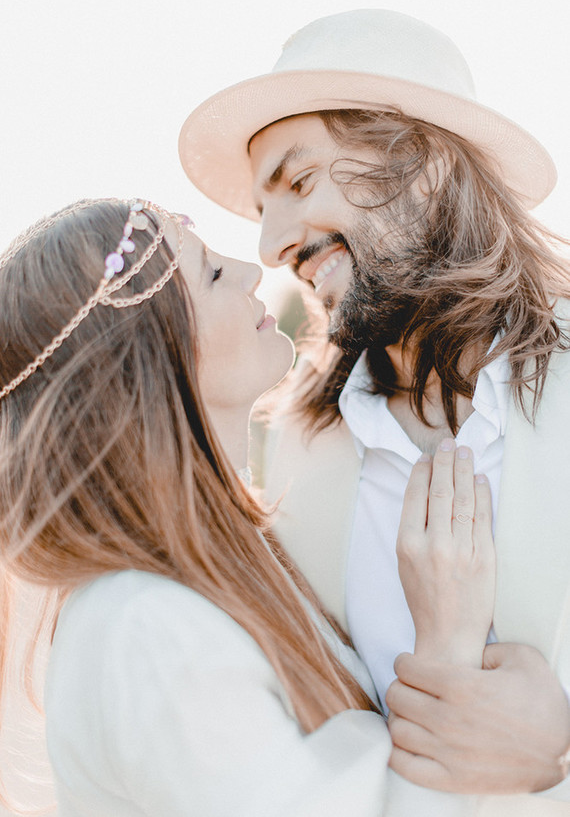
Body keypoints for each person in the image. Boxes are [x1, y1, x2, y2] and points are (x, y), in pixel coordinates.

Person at [178, 9, 570, 811]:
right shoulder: (289, 443)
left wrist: (559, 747)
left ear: (419, 163)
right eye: (263, 209)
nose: (271, 244)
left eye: (300, 182)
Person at [0, 197, 494, 816]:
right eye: (210, 274)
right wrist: (448, 650)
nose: (250, 270)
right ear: (148, 361)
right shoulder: (148, 633)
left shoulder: (223, 573)